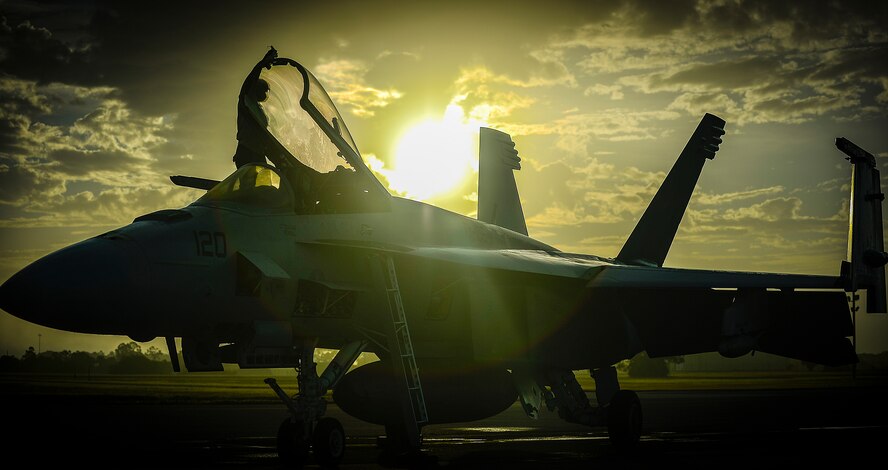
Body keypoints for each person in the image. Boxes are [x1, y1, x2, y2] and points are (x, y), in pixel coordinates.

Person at [232, 48, 277, 169]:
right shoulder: (246, 101)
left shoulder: (257, 109)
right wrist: (262, 64)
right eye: (263, 90)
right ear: (255, 89)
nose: (265, 94)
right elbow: (249, 81)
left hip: (257, 154)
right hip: (247, 154)